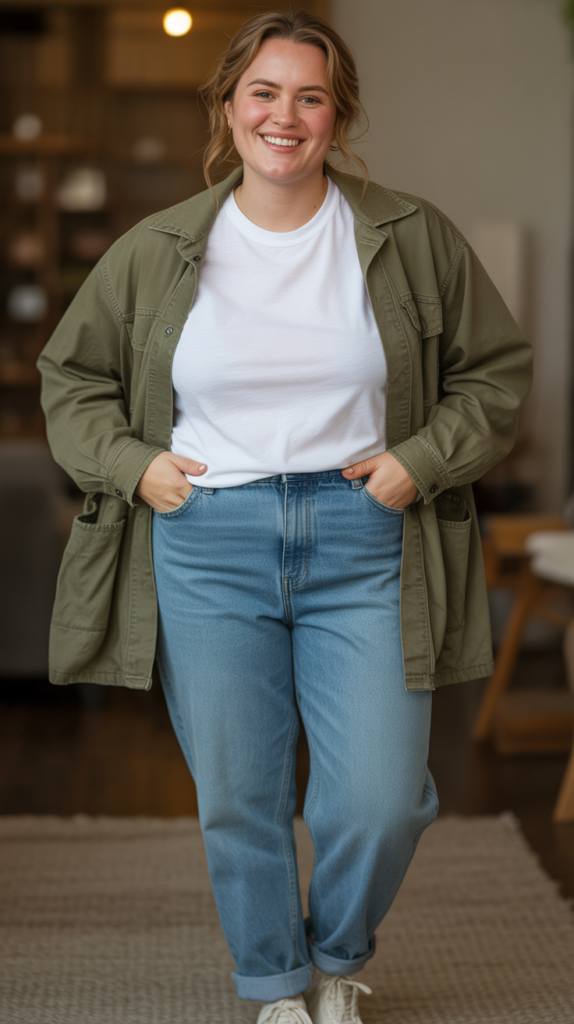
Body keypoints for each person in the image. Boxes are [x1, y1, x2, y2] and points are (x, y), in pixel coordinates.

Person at [38, 9, 532, 1024]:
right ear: (228, 107)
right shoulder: (158, 247)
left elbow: (493, 372)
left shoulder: (407, 235)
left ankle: (339, 954)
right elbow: (70, 377)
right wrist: (136, 467)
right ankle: (278, 989)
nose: (285, 114)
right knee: (239, 795)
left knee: (381, 800)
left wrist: (418, 462)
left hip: (366, 536)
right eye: (264, 92)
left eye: (310, 96)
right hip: (208, 541)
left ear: (337, 115)